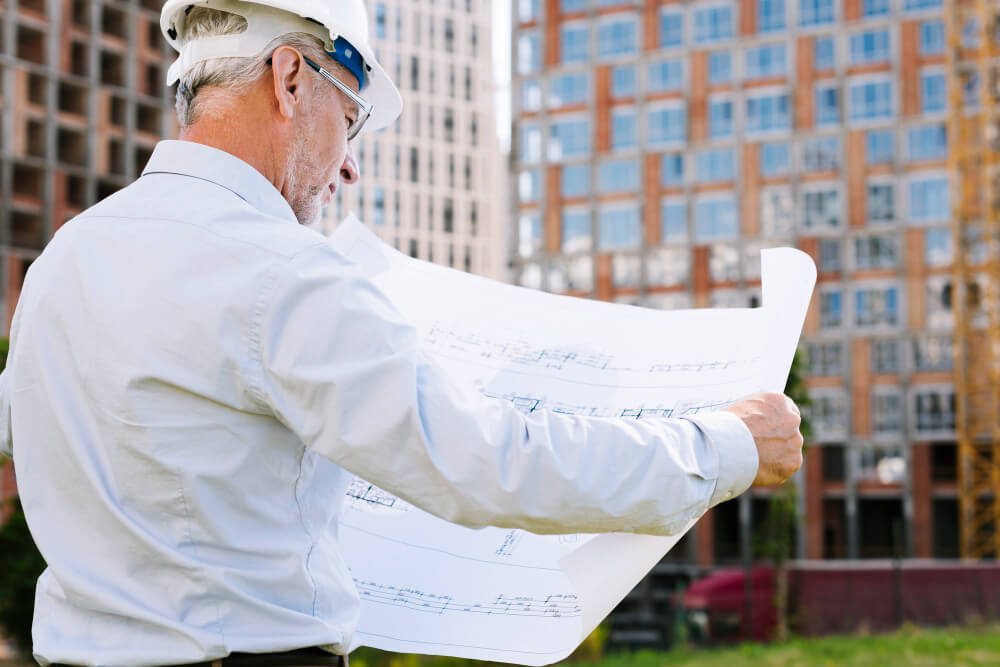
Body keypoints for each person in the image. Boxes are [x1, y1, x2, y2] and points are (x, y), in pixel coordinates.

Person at [0, 1, 803, 665]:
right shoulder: (280, 271)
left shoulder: (64, 260)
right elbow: (489, 462)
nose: (348, 166)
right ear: (289, 78)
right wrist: (723, 444)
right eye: (349, 120)